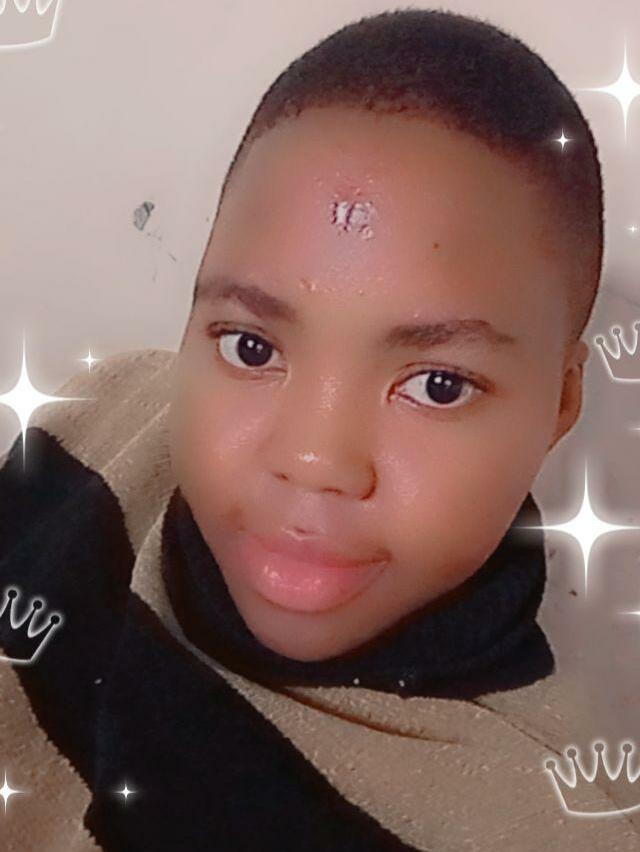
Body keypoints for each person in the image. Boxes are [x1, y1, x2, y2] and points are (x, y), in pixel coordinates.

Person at [1, 8, 637, 851]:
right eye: (252, 347)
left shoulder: (541, 823)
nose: (313, 459)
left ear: (560, 403)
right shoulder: (102, 420)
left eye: (438, 386)